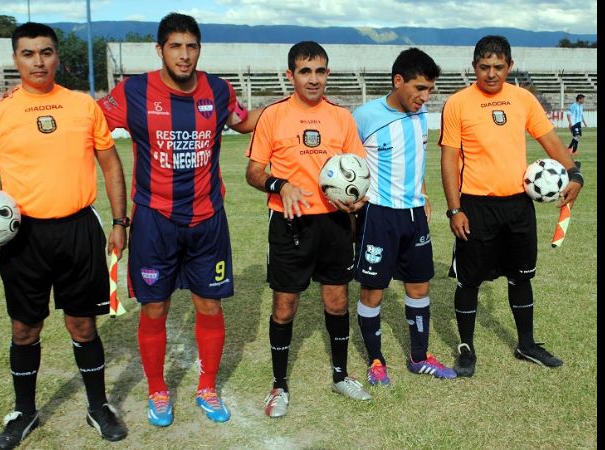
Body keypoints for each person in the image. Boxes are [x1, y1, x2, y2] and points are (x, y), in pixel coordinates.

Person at [0, 22, 128, 449]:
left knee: (83, 325)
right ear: (16, 59)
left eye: (46, 52)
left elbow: (110, 165)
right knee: (24, 329)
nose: (38, 61)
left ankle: (98, 406)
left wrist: (120, 222)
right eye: (29, 53)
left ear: (57, 57)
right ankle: (24, 412)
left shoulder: (83, 106)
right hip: (22, 238)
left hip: (79, 230)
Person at [97, 12, 261, 427]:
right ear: (160, 50)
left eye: (192, 46)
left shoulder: (218, 90)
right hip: (154, 219)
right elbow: (88, 120)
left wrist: (294, 102)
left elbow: (244, 122)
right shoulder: (134, 91)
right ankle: (158, 390)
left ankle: (206, 386)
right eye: (176, 46)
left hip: (208, 219)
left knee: (209, 304)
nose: (184, 55)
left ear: (199, 50)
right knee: (154, 309)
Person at [439, 35, 584, 377]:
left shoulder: (523, 99)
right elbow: (449, 160)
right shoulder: (458, 103)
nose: (491, 74)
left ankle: (527, 345)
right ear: (473, 67)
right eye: (484, 67)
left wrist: (575, 174)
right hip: (476, 206)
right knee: (469, 282)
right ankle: (466, 349)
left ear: (510, 66)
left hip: (519, 206)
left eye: (499, 67)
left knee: (521, 277)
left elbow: (550, 141)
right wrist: (454, 209)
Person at [245, 41, 372, 418]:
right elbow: (253, 172)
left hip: (333, 222)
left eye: (319, 71)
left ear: (328, 74)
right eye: (305, 71)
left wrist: (355, 201)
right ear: (291, 75)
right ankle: (279, 385)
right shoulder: (273, 116)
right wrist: (279, 185)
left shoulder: (341, 118)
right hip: (290, 223)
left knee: (336, 301)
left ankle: (340, 375)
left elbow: (358, 171)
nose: (313, 79)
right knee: (285, 308)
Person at [352, 48, 456, 386]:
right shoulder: (365, 116)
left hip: (414, 216)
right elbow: (347, 164)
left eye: (430, 90)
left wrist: (422, 192)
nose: (425, 98)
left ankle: (419, 357)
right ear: (398, 81)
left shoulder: (421, 116)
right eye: (420, 88)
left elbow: (416, 157)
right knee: (374, 291)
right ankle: (376, 360)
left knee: (419, 286)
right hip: (378, 215)